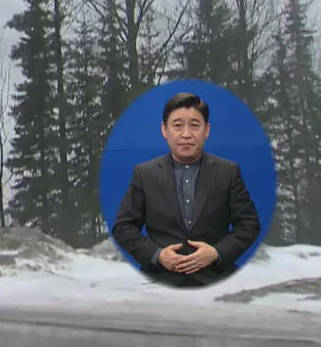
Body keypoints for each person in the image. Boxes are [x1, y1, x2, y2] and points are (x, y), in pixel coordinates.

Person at [112, 92, 261, 287]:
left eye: (194, 125)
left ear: (206, 130)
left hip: (217, 279)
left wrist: (216, 253)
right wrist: (158, 255)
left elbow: (249, 225)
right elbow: (123, 228)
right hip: (159, 280)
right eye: (177, 126)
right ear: (164, 130)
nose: (186, 134)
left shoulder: (228, 172)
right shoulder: (144, 173)